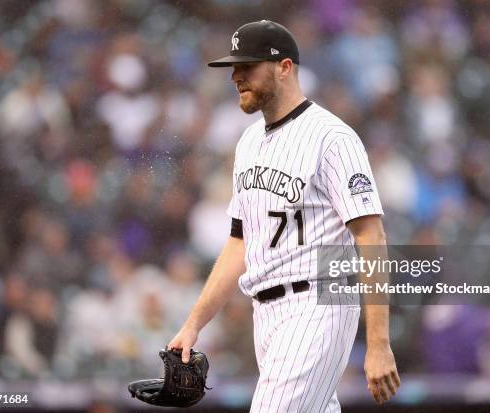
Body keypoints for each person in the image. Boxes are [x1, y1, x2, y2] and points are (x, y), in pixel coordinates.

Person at [168, 20, 400, 411]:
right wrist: (193, 324)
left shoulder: (333, 138)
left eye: (248, 66)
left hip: (316, 303)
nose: (236, 77)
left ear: (284, 67)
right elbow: (239, 243)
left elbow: (371, 237)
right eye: (234, 68)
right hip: (267, 314)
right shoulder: (248, 143)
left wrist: (378, 344)